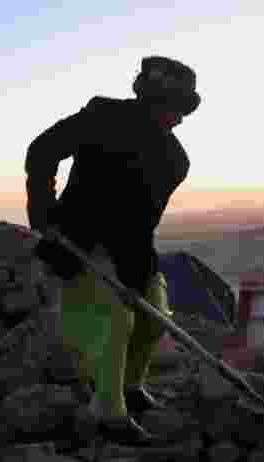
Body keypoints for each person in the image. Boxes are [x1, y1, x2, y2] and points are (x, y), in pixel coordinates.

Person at [26, 56, 200, 442]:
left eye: (182, 110)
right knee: (114, 320)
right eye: (172, 107)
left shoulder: (175, 159)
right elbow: (42, 151)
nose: (178, 118)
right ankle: (109, 412)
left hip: (132, 248)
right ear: (150, 99)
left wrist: (134, 272)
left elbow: (142, 219)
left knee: (154, 318)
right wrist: (43, 210)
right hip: (77, 240)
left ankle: (129, 385)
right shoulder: (101, 117)